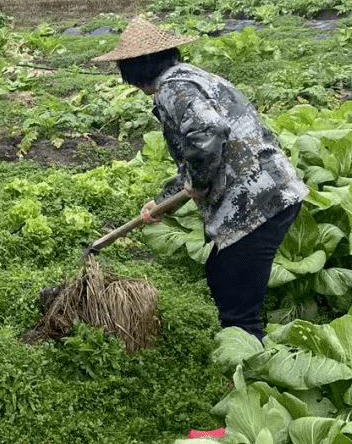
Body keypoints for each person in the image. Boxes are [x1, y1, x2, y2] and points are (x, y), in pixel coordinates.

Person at [94, 17, 307, 342]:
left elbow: (209, 133)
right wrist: (164, 200)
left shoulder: (173, 88)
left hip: (256, 203)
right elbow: (202, 154)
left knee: (238, 306)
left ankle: (251, 376)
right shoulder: (189, 78)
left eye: (122, 65)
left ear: (136, 66)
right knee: (221, 274)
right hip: (270, 193)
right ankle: (244, 354)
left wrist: (196, 179)